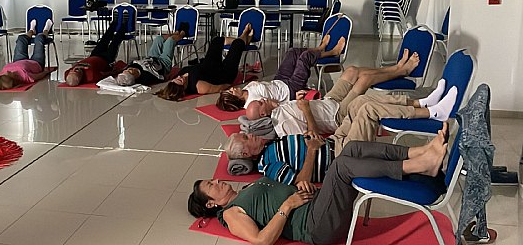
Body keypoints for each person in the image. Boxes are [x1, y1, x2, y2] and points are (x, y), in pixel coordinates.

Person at [188, 123, 450, 245]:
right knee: (342, 166)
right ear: (211, 203)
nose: (219, 180)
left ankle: (421, 152)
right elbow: (260, 240)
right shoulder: (231, 213)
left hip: (318, 206)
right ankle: (419, 165)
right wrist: (287, 205)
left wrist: (298, 190)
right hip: (316, 227)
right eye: (212, 185)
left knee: (353, 149)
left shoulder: (244, 192)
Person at [245, 51, 421, 136]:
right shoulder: (282, 124)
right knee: (364, 79)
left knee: (351, 70)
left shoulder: (277, 105)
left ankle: (394, 67)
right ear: (262, 113)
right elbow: (312, 137)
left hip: (329, 101)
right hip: (337, 115)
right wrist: (305, 109)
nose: (261, 99)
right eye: (260, 103)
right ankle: (401, 71)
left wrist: (304, 99)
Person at [216, 35, 345, 111]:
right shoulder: (253, 102)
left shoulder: (245, 90)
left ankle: (319, 49)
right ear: (236, 99)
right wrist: (296, 99)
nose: (232, 88)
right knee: (304, 57)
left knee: (292, 52)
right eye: (231, 92)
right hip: (291, 89)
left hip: (280, 80)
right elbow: (276, 107)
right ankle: (333, 52)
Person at [156, 24, 253, 101]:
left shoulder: (178, 77)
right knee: (237, 45)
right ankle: (244, 35)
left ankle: (244, 41)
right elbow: (220, 88)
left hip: (210, 65)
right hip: (224, 74)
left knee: (216, 41)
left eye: (176, 78)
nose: (179, 77)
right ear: (184, 88)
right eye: (180, 80)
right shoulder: (199, 87)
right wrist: (228, 85)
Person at [225, 132, 333, 186]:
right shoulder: (267, 166)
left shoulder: (269, 144)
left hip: (333, 140)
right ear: (246, 153)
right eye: (246, 138)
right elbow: (301, 181)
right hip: (334, 158)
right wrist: (311, 150)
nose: (250, 134)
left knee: (350, 106)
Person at [0, 19, 54, 90]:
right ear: (14, 77)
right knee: (39, 38)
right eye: (8, 74)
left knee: (21, 38)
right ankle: (46, 30)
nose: (7, 71)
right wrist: (46, 72)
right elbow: (38, 76)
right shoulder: (25, 77)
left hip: (18, 60)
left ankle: (31, 31)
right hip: (37, 62)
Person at [114, 29, 186, 87]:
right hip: (163, 64)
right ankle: (181, 35)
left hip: (152, 58)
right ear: (134, 77)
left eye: (126, 70)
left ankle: (175, 34)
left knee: (159, 39)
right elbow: (160, 78)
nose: (129, 69)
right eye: (129, 71)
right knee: (170, 40)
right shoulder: (146, 77)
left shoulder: (130, 68)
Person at [64, 21, 126, 86]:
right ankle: (124, 24)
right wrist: (116, 69)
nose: (75, 69)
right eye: (76, 72)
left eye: (72, 71)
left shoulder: (67, 74)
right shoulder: (91, 76)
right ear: (80, 77)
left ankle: (115, 22)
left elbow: (70, 73)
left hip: (94, 55)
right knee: (115, 43)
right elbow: (105, 74)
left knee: (104, 39)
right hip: (106, 59)